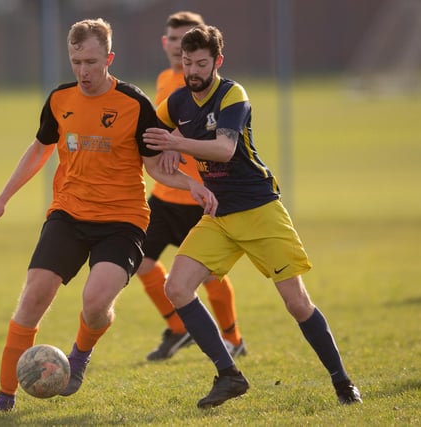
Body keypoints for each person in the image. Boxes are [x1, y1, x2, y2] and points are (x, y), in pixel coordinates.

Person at [0, 18, 217, 412]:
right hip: (68, 215)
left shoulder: (134, 103)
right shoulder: (60, 100)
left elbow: (155, 165)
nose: (83, 71)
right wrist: (1, 199)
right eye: (76, 62)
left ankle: (79, 356)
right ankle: (4, 397)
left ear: (108, 58)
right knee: (34, 295)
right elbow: (39, 150)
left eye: (91, 61)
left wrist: (190, 183)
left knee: (95, 303)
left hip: (122, 222)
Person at [143, 24, 362, 408]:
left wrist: (177, 143)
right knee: (176, 288)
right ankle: (229, 375)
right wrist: (183, 177)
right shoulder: (176, 103)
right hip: (219, 214)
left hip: (260, 210)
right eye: (186, 62)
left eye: (201, 63)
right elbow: (150, 151)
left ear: (217, 62)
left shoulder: (233, 94)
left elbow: (225, 149)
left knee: (296, 303)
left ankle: (342, 381)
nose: (192, 70)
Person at [138, 11, 245, 361]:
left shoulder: (205, 84)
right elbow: (162, 121)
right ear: (167, 43)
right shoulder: (164, 78)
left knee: (210, 277)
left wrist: (175, 139)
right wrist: (163, 142)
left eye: (188, 39)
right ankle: (180, 329)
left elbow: (201, 119)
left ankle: (233, 337)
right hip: (164, 195)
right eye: (175, 39)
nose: (179, 45)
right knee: (140, 262)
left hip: (199, 194)